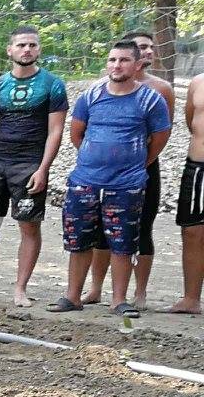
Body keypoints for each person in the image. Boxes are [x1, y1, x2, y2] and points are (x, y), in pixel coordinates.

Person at [51, 39, 172, 316]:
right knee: (78, 240)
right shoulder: (90, 96)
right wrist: (96, 157)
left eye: (124, 60)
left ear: (137, 64)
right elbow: (76, 133)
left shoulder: (151, 99)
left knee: (123, 241)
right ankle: (72, 297)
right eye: (112, 60)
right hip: (85, 181)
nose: (117, 65)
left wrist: (138, 163)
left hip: (127, 184)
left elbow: (160, 138)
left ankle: (118, 300)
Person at [0, 27, 65, 306]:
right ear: (10, 50)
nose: (27, 50)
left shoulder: (53, 84)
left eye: (32, 45)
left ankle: (20, 289)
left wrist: (43, 169)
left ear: (39, 49)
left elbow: (55, 131)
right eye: (21, 45)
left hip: (29, 165)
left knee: (29, 227)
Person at [80, 31, 178, 307]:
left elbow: (162, 132)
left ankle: (139, 293)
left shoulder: (161, 89)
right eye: (141, 47)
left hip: (142, 167)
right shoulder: (99, 89)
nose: (147, 51)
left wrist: (141, 162)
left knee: (142, 227)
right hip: (103, 171)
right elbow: (82, 132)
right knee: (102, 229)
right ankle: (96, 289)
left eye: (150, 47)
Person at [174, 77, 204, 314]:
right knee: (192, 231)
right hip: (198, 165)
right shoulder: (198, 82)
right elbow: (190, 121)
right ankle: (191, 299)